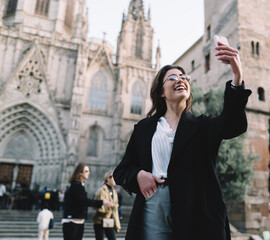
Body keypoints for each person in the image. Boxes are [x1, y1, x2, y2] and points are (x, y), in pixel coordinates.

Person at [113, 39, 251, 240]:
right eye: (172, 77)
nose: (180, 79)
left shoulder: (203, 126)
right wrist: (138, 175)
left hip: (195, 208)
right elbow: (121, 171)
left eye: (184, 77)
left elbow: (233, 124)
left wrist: (237, 77)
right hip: (153, 205)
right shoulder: (144, 128)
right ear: (161, 91)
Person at [62, 163, 113, 240]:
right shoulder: (76, 185)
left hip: (78, 220)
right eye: (86, 171)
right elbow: (84, 201)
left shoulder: (80, 185)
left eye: (89, 171)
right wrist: (102, 202)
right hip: (72, 221)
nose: (89, 172)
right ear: (80, 173)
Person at [93, 171, 121, 240]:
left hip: (109, 220)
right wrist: (110, 206)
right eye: (113, 178)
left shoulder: (114, 191)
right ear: (108, 178)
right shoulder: (102, 190)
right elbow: (97, 205)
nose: (115, 180)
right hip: (100, 220)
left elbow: (116, 204)